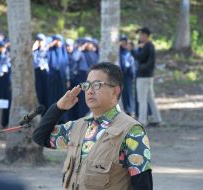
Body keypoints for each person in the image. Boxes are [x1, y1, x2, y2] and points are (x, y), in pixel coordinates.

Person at [33, 62, 153, 190]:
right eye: (87, 85)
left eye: (97, 85)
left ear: (115, 91)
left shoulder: (131, 130)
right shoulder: (77, 127)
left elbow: (143, 184)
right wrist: (58, 107)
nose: (90, 90)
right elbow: (40, 137)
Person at [130, 27, 162, 127]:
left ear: (145, 35)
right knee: (150, 98)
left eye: (140, 35)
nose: (139, 37)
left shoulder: (148, 46)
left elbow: (140, 57)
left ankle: (142, 121)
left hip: (143, 76)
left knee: (142, 99)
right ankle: (157, 119)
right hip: (148, 76)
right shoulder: (149, 45)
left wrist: (132, 51)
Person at [119, 35, 136, 118]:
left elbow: (131, 64)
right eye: (122, 41)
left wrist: (132, 74)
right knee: (123, 93)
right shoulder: (118, 52)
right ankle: (126, 110)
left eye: (125, 42)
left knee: (129, 93)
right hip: (120, 75)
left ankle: (131, 110)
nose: (123, 43)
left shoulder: (127, 52)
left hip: (128, 75)